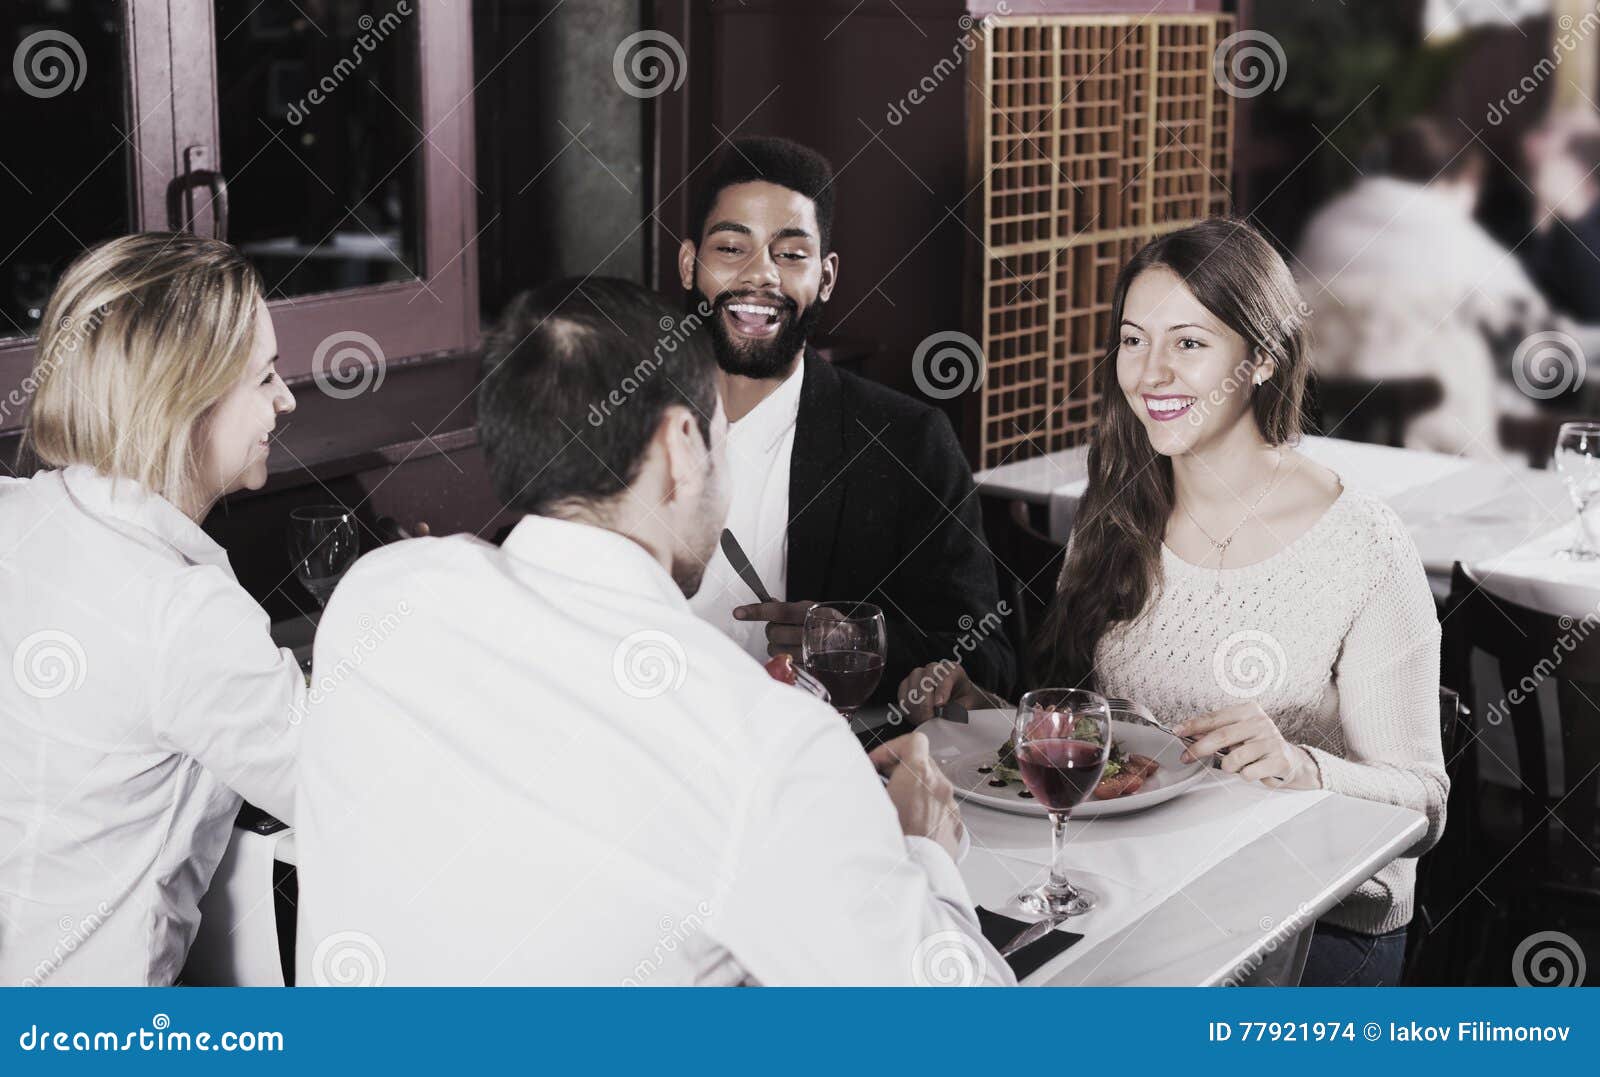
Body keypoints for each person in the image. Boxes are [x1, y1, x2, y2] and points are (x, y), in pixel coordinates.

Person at [293, 278, 1012, 986]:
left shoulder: (374, 597)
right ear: (680, 445)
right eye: (722, 440)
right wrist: (924, 851)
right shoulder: (765, 743)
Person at [897, 220, 1448, 987]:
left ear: (1259, 357)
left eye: (1189, 343)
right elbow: (1101, 740)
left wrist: (1301, 766)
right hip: (1140, 886)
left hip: (1321, 918)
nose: (1150, 372)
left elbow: (1424, 800)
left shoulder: (1363, 544)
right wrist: (983, 709)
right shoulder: (1118, 508)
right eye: (1133, 339)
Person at [0, 234, 304, 985]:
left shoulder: (15, 513)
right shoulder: (183, 611)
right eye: (264, 375)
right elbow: (347, 794)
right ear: (185, 400)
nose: (286, 399)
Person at [677, 136, 1014, 704]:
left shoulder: (908, 442)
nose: (761, 275)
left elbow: (990, 659)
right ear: (691, 265)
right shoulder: (626, 422)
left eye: (790, 254)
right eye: (732, 248)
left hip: (829, 766)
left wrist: (858, 643)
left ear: (826, 278)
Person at [1296, 117, 1550, 458]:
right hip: (1441, 441)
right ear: (1460, 181)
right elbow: (1535, 324)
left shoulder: (1324, 225)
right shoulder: (1464, 244)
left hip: (1323, 428)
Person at [1520, 109, 1600, 322]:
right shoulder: (1514, 207)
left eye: (1545, 133)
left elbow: (1593, 307)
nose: (1529, 141)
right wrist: (1543, 217)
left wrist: (1574, 216)